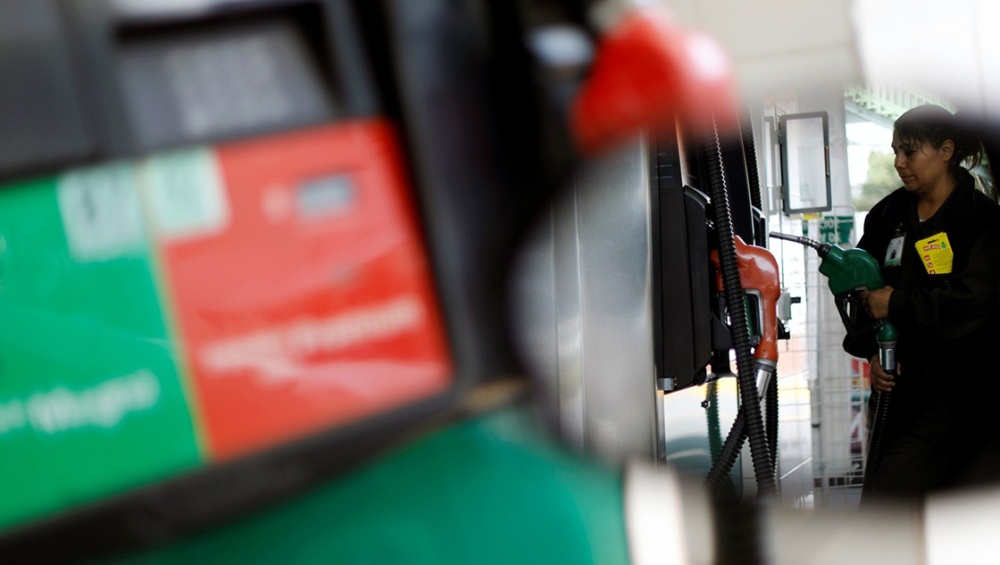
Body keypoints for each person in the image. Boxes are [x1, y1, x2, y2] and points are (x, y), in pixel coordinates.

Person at [847, 104, 1000, 502]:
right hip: (898, 397)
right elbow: (860, 290)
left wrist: (897, 304)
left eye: (909, 152)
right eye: (895, 150)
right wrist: (873, 351)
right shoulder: (887, 216)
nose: (898, 162)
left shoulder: (983, 223)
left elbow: (975, 303)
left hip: (966, 401)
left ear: (946, 150)